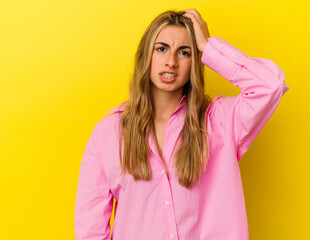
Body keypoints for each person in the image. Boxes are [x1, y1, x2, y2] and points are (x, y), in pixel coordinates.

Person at [74, 8, 289, 240]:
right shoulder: (108, 133)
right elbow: (91, 231)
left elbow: (271, 86)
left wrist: (208, 47)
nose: (171, 62)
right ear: (146, 55)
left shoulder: (221, 122)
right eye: (162, 48)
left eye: (184, 52)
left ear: (195, 60)